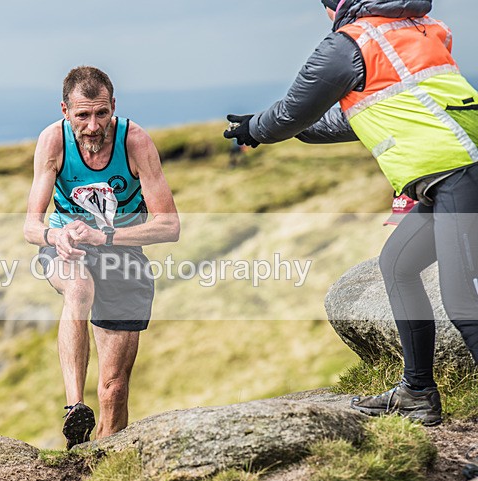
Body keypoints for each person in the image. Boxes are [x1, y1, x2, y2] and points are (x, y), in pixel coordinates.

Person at [223, 0, 478, 427]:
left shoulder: (348, 44)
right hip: (446, 177)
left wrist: (257, 129)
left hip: (459, 173)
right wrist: (290, 128)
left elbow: (291, 111)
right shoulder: (412, 27)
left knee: (464, 304)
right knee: (398, 264)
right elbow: (353, 117)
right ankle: (417, 392)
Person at [24, 66, 180, 449]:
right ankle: (75, 407)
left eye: (101, 113)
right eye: (82, 115)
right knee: (78, 288)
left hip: (123, 250)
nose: (93, 126)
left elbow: (169, 226)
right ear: (65, 110)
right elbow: (30, 226)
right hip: (68, 245)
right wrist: (55, 235)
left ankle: (103, 470)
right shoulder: (53, 142)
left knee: (113, 390)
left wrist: (106, 234)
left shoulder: (135, 142)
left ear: (114, 106)